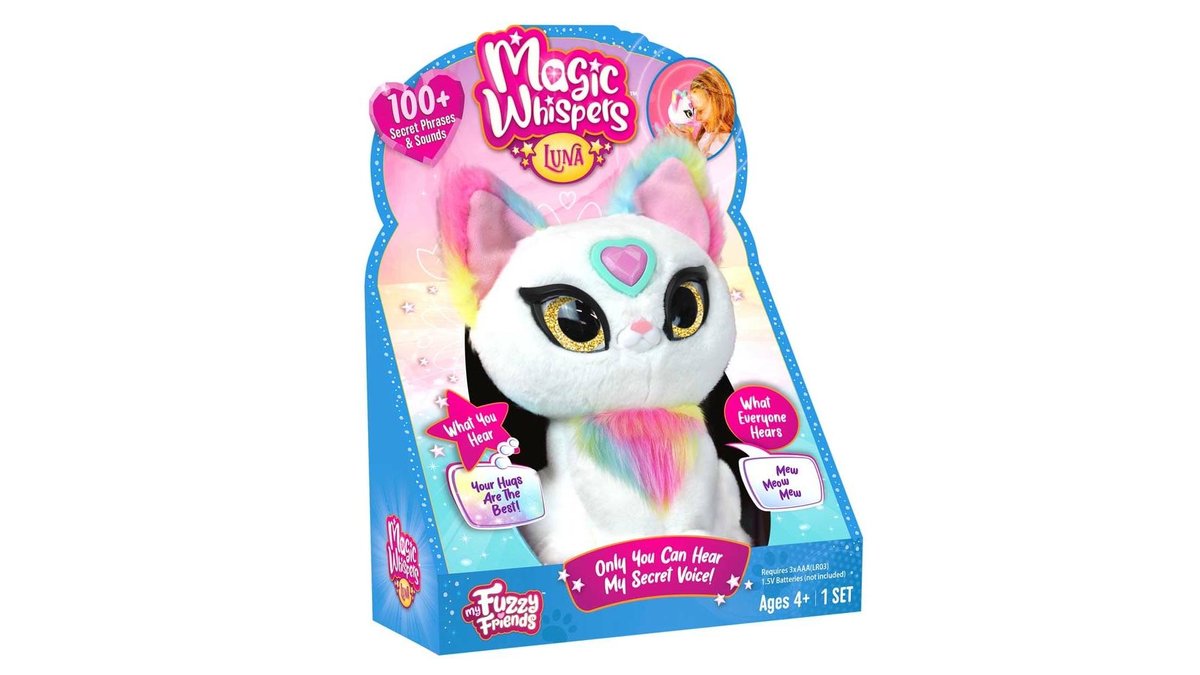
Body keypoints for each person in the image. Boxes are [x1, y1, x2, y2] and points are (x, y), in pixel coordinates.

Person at [664, 67, 734, 156]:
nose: (697, 118)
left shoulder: (728, 142)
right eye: (694, 110)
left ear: (721, 105)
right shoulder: (707, 135)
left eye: (701, 111)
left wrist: (692, 149)